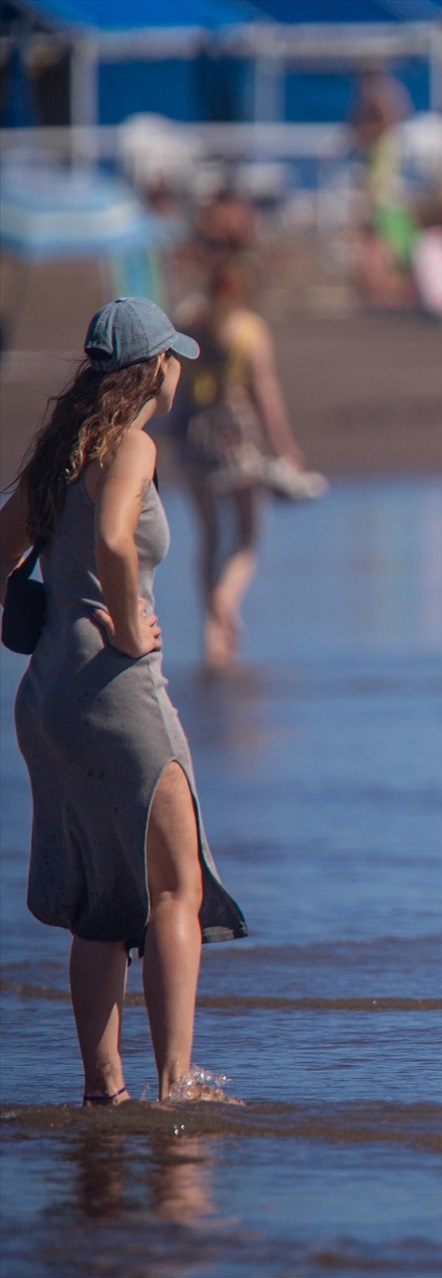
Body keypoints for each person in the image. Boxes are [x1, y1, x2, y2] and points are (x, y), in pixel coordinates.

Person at [0, 298, 247, 1105]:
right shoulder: (132, 445)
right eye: (175, 359)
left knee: (100, 905)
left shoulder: (59, 452)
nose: (180, 372)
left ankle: (103, 1090)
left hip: (47, 696)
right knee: (176, 887)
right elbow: (113, 537)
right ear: (154, 369)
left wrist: (39, 615)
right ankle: (176, 1083)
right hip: (116, 691)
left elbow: (2, 552)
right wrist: (133, 632)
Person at [174, 257, 311, 670]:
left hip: (196, 431)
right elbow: (265, 392)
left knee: (209, 536)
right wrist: (285, 447)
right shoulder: (249, 329)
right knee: (248, 535)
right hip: (236, 431)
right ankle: (225, 598)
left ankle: (213, 633)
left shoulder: (191, 324)